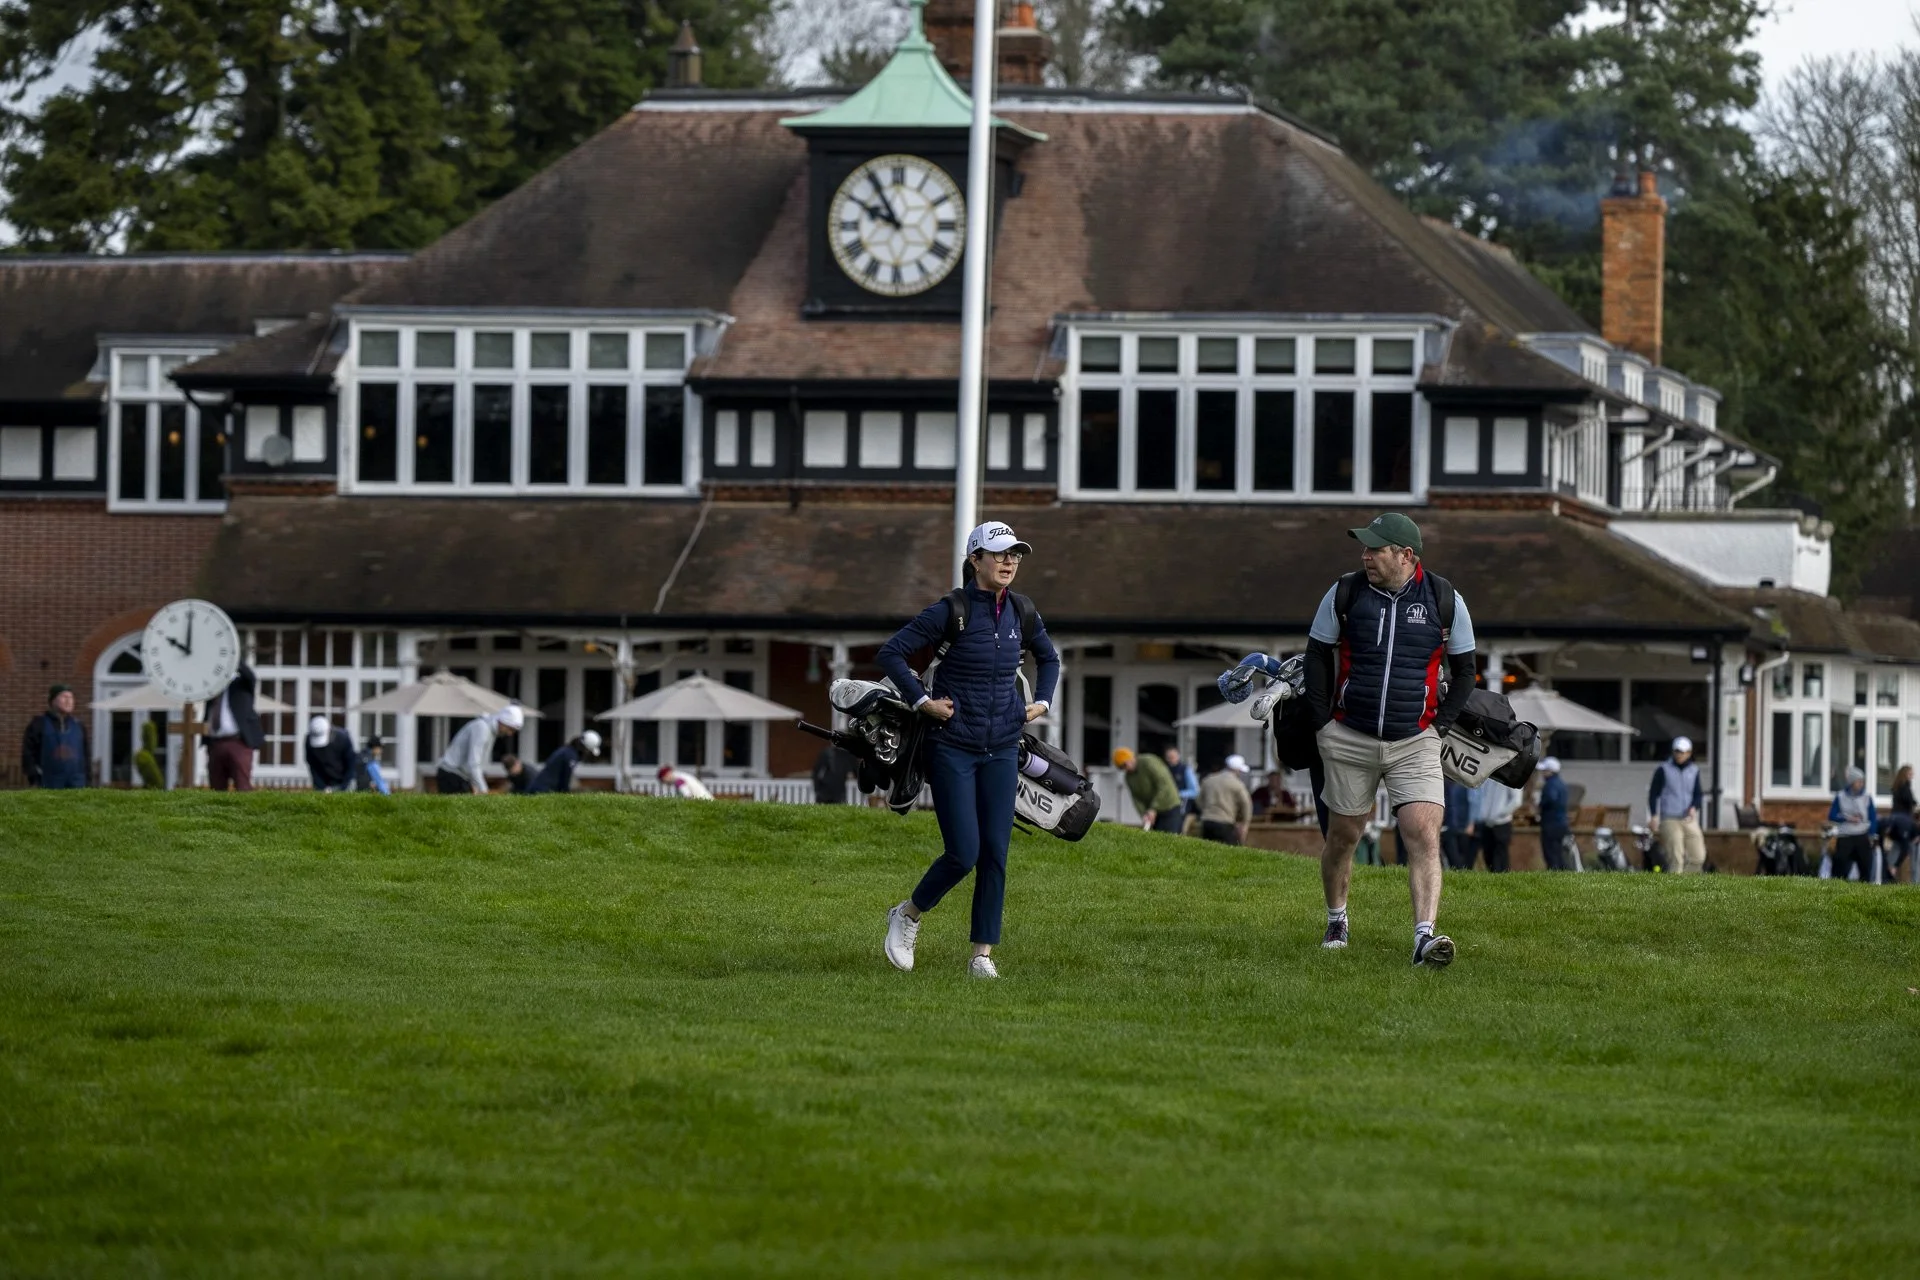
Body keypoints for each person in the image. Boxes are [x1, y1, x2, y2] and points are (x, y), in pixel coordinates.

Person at [877, 521, 1060, 980]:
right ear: (975, 559)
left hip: (1001, 746)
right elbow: (892, 653)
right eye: (999, 554)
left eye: (1015, 554)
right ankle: (908, 915)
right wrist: (923, 702)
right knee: (964, 851)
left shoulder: (1023, 610)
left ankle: (982, 955)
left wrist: (1041, 702)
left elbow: (1050, 658)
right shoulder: (951, 609)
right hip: (953, 747)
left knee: (996, 851)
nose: (1009, 561)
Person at [1303, 512, 1476, 966]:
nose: (1365, 555)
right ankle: (1337, 918)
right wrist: (1322, 722)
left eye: (1375, 549)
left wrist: (1440, 727)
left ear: (1406, 556)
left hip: (1416, 739)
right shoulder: (1344, 592)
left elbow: (1465, 671)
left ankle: (1424, 937)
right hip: (1348, 735)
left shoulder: (1444, 599)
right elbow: (1316, 657)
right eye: (1364, 547)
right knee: (1343, 836)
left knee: (1422, 832)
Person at [1648, 735, 1707, 875]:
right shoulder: (1663, 770)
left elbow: (1698, 794)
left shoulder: (1694, 771)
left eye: (1683, 752)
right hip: (1669, 818)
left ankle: (1684, 883)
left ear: (1689, 753)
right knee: (1676, 856)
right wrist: (1654, 815)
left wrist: (1694, 807)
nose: (1679, 755)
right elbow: (1653, 793)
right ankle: (1674, 888)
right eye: (1677, 751)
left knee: (1698, 857)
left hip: (1688, 818)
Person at [435, 704, 524, 794]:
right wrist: (484, 790)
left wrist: (475, 784)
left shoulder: (488, 730)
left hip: (460, 776)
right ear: (503, 722)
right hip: (451, 775)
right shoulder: (482, 728)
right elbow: (473, 763)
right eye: (510, 729)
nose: (510, 734)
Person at [203, 664, 265, 792]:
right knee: (216, 786)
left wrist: (232, 659)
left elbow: (250, 676)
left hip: (238, 742)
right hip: (215, 743)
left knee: (242, 785)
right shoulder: (213, 689)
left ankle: (244, 811)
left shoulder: (242, 685)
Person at [21, 684, 89, 788]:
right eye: (64, 697)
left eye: (71, 697)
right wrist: (34, 777)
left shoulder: (79, 726)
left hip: (77, 784)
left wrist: (88, 779)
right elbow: (28, 753)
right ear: (53, 701)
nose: (68, 701)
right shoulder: (39, 724)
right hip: (48, 783)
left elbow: (86, 755)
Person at [1114, 747, 1184, 833]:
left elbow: (1163, 785)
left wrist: (1154, 808)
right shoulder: (1129, 778)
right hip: (1153, 813)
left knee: (1169, 838)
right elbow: (1136, 798)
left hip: (1169, 806)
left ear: (1130, 758)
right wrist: (1144, 814)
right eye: (1122, 768)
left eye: (1125, 764)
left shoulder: (1148, 762)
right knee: (1156, 840)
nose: (1126, 768)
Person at [1828, 766, 1880, 882]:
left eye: (1862, 781)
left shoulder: (1867, 797)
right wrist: (1847, 818)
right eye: (1858, 781)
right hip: (1845, 836)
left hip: (1862, 835)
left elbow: (1872, 817)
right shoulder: (1840, 797)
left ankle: (1865, 891)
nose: (1861, 784)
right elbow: (1832, 815)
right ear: (1852, 782)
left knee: (1865, 867)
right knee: (1840, 868)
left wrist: (1872, 834)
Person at [1197, 754, 1254, 845]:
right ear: (1237, 770)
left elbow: (1199, 801)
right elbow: (1246, 804)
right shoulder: (1237, 784)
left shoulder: (1208, 780)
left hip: (1207, 822)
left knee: (1207, 851)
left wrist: (1206, 811)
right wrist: (1245, 823)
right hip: (1225, 822)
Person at [1469, 776, 1522, 873]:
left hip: (1502, 822)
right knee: (1488, 853)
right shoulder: (1487, 778)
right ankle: (1492, 878)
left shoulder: (1511, 778)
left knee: (1500, 854)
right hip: (1486, 822)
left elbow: (1516, 801)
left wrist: (1501, 813)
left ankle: (1503, 878)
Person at [529, 730, 602, 794]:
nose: (587, 754)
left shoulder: (567, 751)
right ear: (585, 748)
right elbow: (565, 779)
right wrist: (565, 794)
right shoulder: (570, 756)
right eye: (589, 751)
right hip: (543, 790)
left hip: (542, 787)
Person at [305, 715, 362, 792]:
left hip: (343, 778)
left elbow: (351, 763)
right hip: (323, 780)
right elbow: (313, 765)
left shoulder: (343, 738)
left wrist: (344, 785)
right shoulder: (309, 741)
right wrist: (321, 786)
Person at [1536, 757, 1571, 871]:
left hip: (1551, 823)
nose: (1542, 773)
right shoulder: (1561, 783)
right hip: (1561, 823)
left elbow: (1551, 798)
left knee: (1551, 853)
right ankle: (1561, 874)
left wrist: (1541, 805)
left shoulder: (1550, 785)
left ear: (1550, 771)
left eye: (1544, 771)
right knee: (1559, 852)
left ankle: (1554, 874)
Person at [1885, 764, 1915, 884]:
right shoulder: (1904, 787)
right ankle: (1891, 871)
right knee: (1902, 848)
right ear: (1905, 774)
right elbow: (1909, 801)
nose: (1912, 775)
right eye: (1910, 773)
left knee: (1898, 847)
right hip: (1903, 822)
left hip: (1897, 821)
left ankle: (1891, 871)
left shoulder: (1898, 786)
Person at [1441, 777, 1476, 870]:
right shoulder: (1451, 785)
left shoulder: (1449, 785)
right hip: (1451, 825)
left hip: (1449, 826)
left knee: (1454, 857)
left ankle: (1460, 872)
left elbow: (1450, 806)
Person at [1165, 745, 1200, 820]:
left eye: (1173, 757)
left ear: (1178, 756)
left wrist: (1178, 794)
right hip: (1167, 805)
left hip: (1181, 806)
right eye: (1169, 757)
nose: (1171, 759)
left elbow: (1195, 791)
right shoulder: (1165, 770)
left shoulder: (1186, 770)